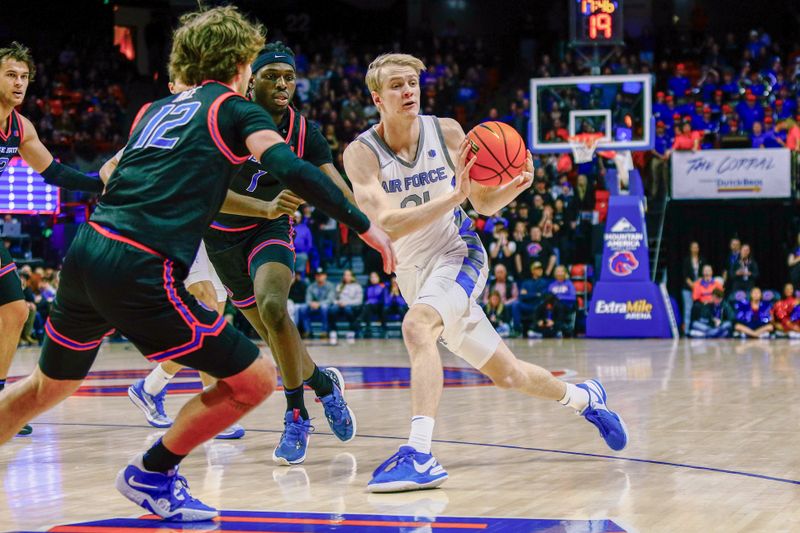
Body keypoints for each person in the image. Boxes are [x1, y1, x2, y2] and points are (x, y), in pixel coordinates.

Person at [0, 6, 395, 522]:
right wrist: (366, 227)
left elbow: (115, 178)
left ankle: (163, 427)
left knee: (47, 387)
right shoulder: (234, 109)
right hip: (141, 265)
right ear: (240, 62)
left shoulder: (154, 110)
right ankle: (152, 473)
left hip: (85, 253)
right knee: (252, 380)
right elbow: (289, 168)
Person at [344, 53, 627, 493]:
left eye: (413, 83)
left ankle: (419, 454)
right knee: (508, 374)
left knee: (418, 327)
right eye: (397, 85)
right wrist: (454, 195)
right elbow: (387, 223)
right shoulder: (361, 155)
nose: (408, 92)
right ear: (376, 98)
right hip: (414, 274)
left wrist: (513, 189)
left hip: (459, 255)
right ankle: (585, 398)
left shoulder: (449, 133)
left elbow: (479, 204)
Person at [202, 42, 359, 462]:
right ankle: (324, 384)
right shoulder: (224, 122)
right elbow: (211, 196)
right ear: (251, 79)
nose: (283, 84)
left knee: (275, 310)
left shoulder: (303, 130)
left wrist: (367, 222)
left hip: (269, 230)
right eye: (272, 75)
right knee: (276, 339)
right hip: (220, 238)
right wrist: (267, 204)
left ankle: (296, 415)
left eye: (289, 77)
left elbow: (333, 185)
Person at [0, 42, 105, 437]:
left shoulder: (20, 127)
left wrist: (100, 181)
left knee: (15, 310)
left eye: (24, 76)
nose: (19, 83)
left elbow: (54, 173)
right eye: (11, 74)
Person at [512, 261, 551, 337]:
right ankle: (517, 329)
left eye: (541, 269)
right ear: (532, 270)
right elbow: (522, 296)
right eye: (537, 269)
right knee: (516, 304)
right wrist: (536, 294)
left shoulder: (544, 282)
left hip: (539, 306)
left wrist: (528, 294)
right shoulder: (526, 282)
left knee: (544, 304)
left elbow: (543, 295)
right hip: (528, 305)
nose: (540, 270)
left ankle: (535, 329)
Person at [300, 268, 336, 337]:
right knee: (303, 308)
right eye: (317, 275)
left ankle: (324, 331)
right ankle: (307, 331)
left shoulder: (330, 286)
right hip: (313, 306)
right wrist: (311, 303)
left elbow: (330, 299)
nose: (319, 277)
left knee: (324, 307)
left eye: (321, 275)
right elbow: (307, 299)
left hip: (325, 306)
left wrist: (319, 304)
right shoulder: (311, 286)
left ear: (325, 276)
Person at [331, 269, 363, 338]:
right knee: (332, 309)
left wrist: (347, 303)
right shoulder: (339, 286)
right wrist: (337, 302)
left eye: (348, 275)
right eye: (345, 275)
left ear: (352, 277)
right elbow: (334, 298)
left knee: (348, 310)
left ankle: (352, 329)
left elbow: (359, 301)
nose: (346, 277)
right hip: (339, 305)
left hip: (351, 306)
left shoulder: (357, 286)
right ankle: (333, 330)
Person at [682, 242, 704, 330]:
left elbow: (704, 273)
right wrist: (692, 285)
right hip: (688, 288)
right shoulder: (687, 260)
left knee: (699, 308)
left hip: (700, 288)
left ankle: (698, 328)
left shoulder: (702, 259)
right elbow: (685, 275)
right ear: (690, 249)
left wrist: (698, 284)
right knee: (688, 308)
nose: (695, 249)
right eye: (693, 247)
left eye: (697, 247)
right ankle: (687, 330)